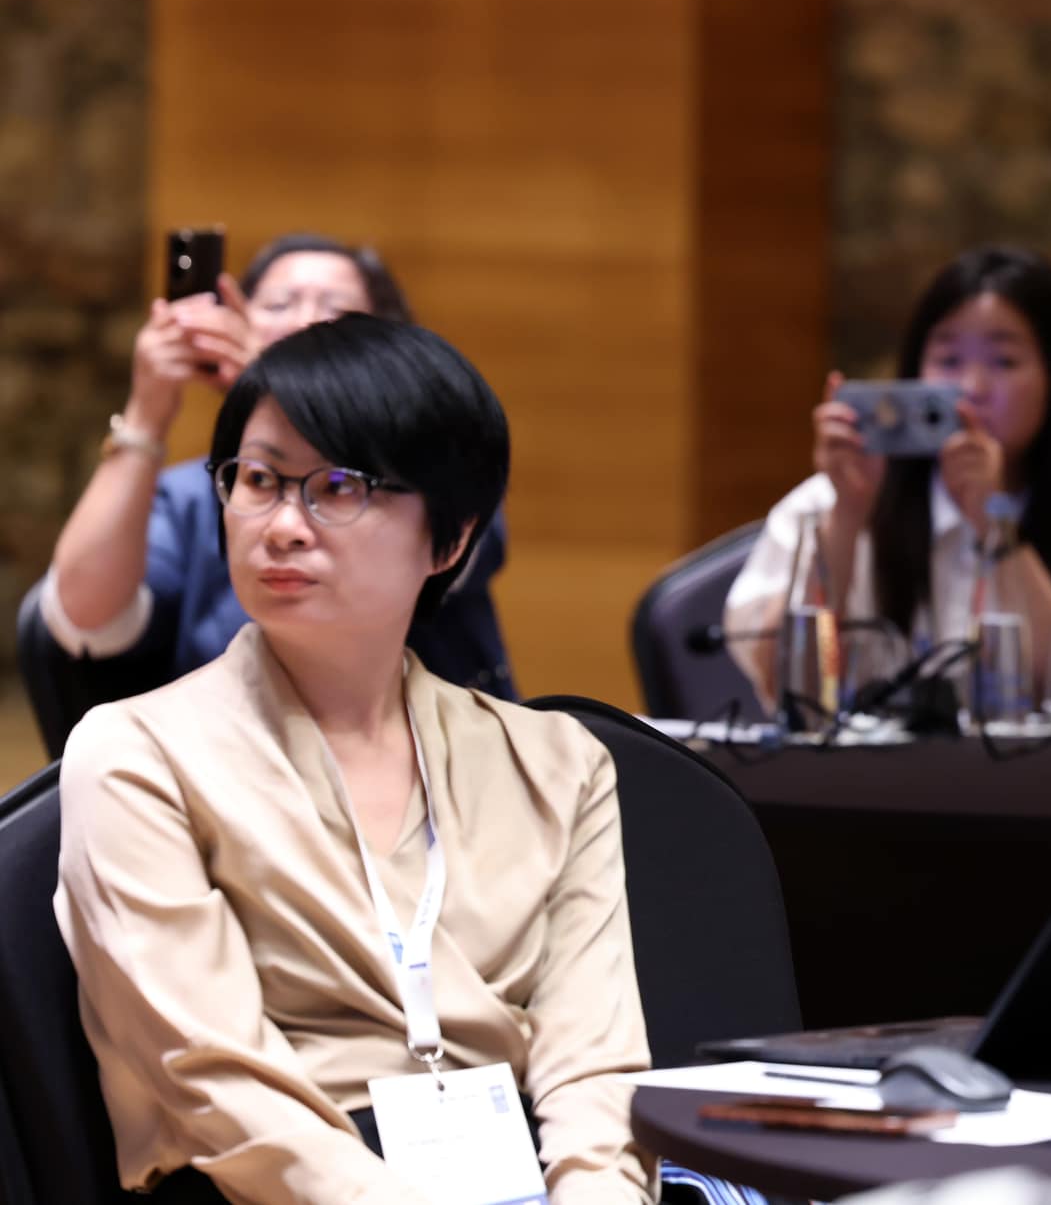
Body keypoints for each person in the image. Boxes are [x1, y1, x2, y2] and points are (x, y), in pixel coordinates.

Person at [55, 316, 654, 1203]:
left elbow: (593, 1062)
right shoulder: (138, 754)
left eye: (339, 486)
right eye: (258, 480)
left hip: (516, 1168)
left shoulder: (555, 762)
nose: (282, 526)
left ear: (450, 540)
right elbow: (217, 1083)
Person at [39, 232, 516, 706]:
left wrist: (288, 387)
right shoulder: (194, 494)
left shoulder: (433, 475)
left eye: (339, 487)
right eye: (278, 305)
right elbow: (83, 622)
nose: (303, 322)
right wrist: (147, 414)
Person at [724, 245, 1051, 713]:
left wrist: (996, 526)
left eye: (1004, 361)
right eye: (949, 360)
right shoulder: (826, 501)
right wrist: (848, 516)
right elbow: (781, 685)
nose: (971, 389)